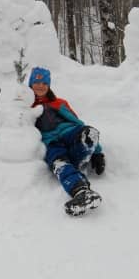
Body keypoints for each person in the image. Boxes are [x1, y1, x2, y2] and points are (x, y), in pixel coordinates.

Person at [28, 66, 106, 216]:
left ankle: (88, 152)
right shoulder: (26, 107)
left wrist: (98, 153)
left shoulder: (59, 102)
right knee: (60, 163)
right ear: (30, 84)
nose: (40, 86)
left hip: (70, 135)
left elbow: (77, 122)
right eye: (37, 82)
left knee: (87, 132)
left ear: (49, 85)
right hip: (50, 143)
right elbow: (13, 126)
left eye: (44, 83)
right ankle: (81, 192)